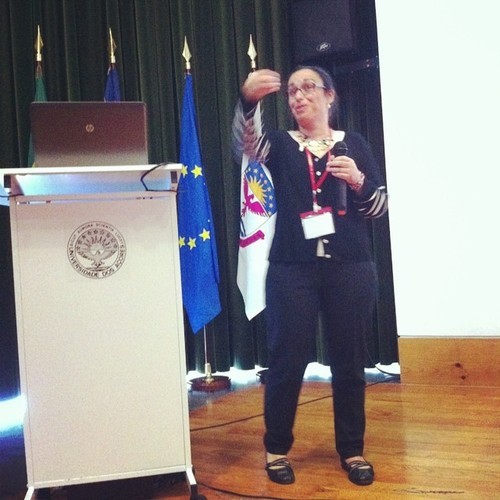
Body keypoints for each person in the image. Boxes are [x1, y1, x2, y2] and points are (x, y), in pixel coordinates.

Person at [232, 65, 388, 487]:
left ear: (330, 96)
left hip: (351, 267)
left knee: (349, 363)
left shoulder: (354, 143)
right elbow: (245, 145)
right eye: (292, 91)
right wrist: (249, 102)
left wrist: (358, 181)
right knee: (287, 361)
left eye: (308, 88)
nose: (298, 96)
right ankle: (276, 449)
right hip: (292, 268)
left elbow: (378, 207)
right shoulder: (282, 144)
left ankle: (352, 450)